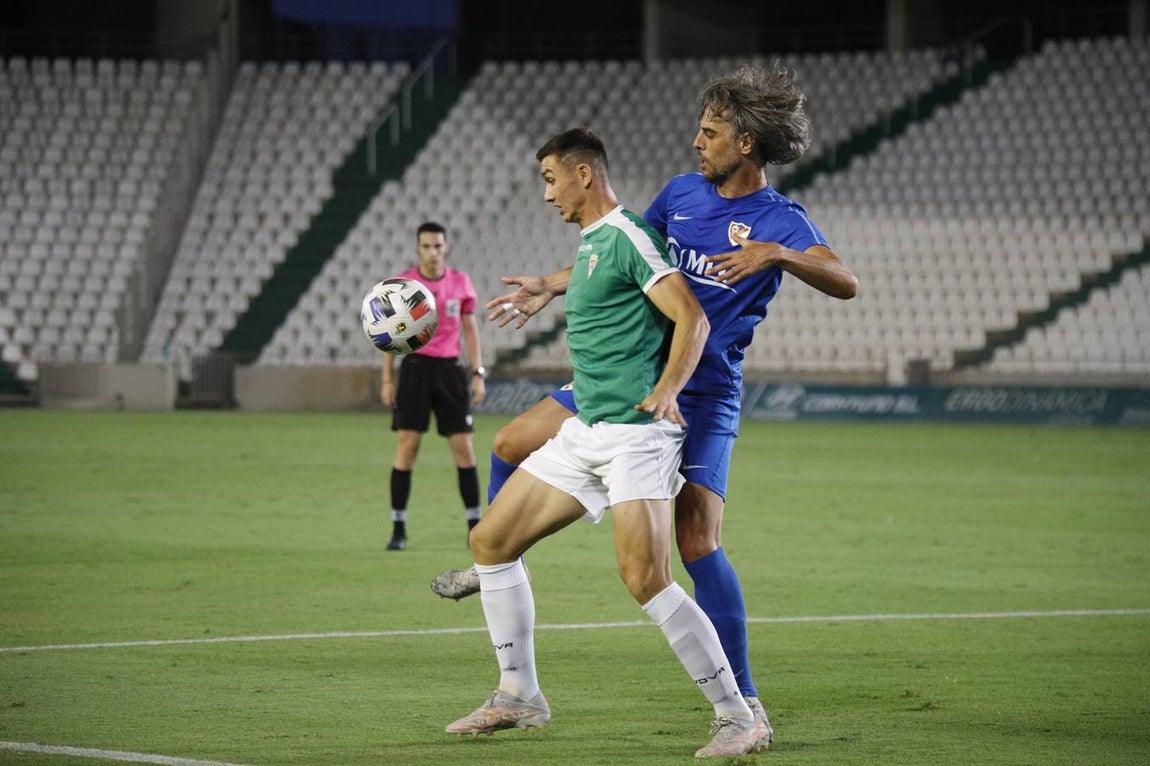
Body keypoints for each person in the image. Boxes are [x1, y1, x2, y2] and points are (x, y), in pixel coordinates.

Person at [434, 63, 859, 748]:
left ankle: (742, 699)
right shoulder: (682, 195)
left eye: (711, 132)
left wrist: (779, 255)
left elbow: (845, 279)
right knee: (512, 443)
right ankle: (496, 573)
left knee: (694, 544)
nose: (698, 141)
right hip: (630, 378)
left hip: (701, 392)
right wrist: (549, 283)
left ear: (746, 142)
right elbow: (630, 256)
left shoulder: (779, 219)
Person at [446, 127, 769, 758]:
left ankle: (739, 715)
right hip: (587, 432)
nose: (546, 195)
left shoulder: (627, 236)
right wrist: (547, 284)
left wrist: (671, 387)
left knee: (646, 577)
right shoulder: (597, 243)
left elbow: (692, 315)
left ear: (583, 174)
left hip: (633, 438)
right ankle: (519, 694)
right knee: (489, 542)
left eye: (549, 179)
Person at [381, 221, 487, 551]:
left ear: (446, 247)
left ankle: (475, 529)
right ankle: (398, 529)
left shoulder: (460, 283)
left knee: (465, 452)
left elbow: (470, 330)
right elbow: (388, 335)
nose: (432, 252)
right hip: (414, 369)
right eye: (426, 246)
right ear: (417, 249)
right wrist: (388, 378)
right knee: (407, 449)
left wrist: (478, 371)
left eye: (437, 246)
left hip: (451, 371)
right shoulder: (404, 285)